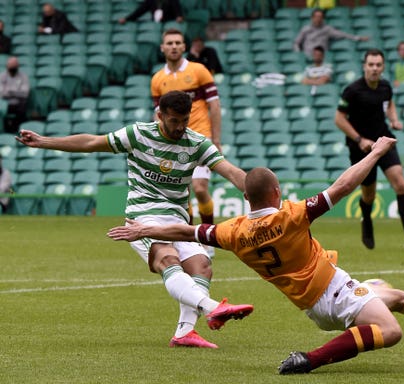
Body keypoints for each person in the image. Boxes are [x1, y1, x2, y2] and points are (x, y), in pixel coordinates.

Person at [107, 136, 404, 374]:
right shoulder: (292, 217)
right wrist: (375, 153)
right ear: (275, 191)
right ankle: (310, 360)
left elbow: (186, 230)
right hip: (334, 292)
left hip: (313, 308)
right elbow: (343, 185)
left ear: (247, 197)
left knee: (388, 294)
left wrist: (144, 229)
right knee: (391, 331)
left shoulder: (233, 232)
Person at [16, 90, 254, 348]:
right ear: (160, 115)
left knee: (202, 265)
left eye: (185, 120)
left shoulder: (196, 143)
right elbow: (90, 143)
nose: (180, 127)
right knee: (168, 259)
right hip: (142, 216)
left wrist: (260, 196)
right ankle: (212, 307)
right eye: (174, 120)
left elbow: (230, 171)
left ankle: (185, 332)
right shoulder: (138, 134)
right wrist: (44, 141)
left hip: (176, 219)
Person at [335, 49, 404, 250]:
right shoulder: (352, 90)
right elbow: (338, 119)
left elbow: (389, 104)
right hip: (361, 147)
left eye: (378, 65)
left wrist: (394, 119)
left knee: (400, 183)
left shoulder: (385, 87)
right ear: (364, 66)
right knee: (369, 195)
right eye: (371, 64)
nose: (375, 68)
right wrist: (359, 139)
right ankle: (366, 220)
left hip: (383, 140)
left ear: (383, 67)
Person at [152, 28, 222, 229]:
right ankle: (192, 238)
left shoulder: (199, 71)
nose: (174, 46)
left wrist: (216, 140)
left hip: (200, 138)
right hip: (174, 142)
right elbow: (158, 115)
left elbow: (215, 106)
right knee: (183, 194)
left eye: (177, 43)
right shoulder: (157, 80)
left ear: (184, 46)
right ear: (162, 48)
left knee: (200, 189)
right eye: (170, 43)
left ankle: (208, 239)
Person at [294, 8, 369, 59]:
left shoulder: (327, 29)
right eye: (316, 17)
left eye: (320, 17)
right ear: (312, 18)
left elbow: (342, 34)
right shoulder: (305, 29)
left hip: (322, 58)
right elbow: (297, 43)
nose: (318, 19)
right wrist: (299, 55)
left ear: (323, 19)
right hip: (307, 57)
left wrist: (358, 38)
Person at [0, 57, 30, 133]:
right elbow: (2, 93)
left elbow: (25, 93)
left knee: (23, 106)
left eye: (14, 67)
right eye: (10, 67)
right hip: (5, 104)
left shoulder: (23, 77)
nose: (12, 69)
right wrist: (16, 92)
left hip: (18, 104)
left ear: (17, 67)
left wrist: (11, 92)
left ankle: (19, 131)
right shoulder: (2, 76)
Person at [119, 0, 184, 24]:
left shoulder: (172, 0)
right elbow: (139, 12)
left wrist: (179, 16)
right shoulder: (150, 1)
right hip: (155, 25)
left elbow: (177, 10)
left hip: (168, 24)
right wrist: (126, 19)